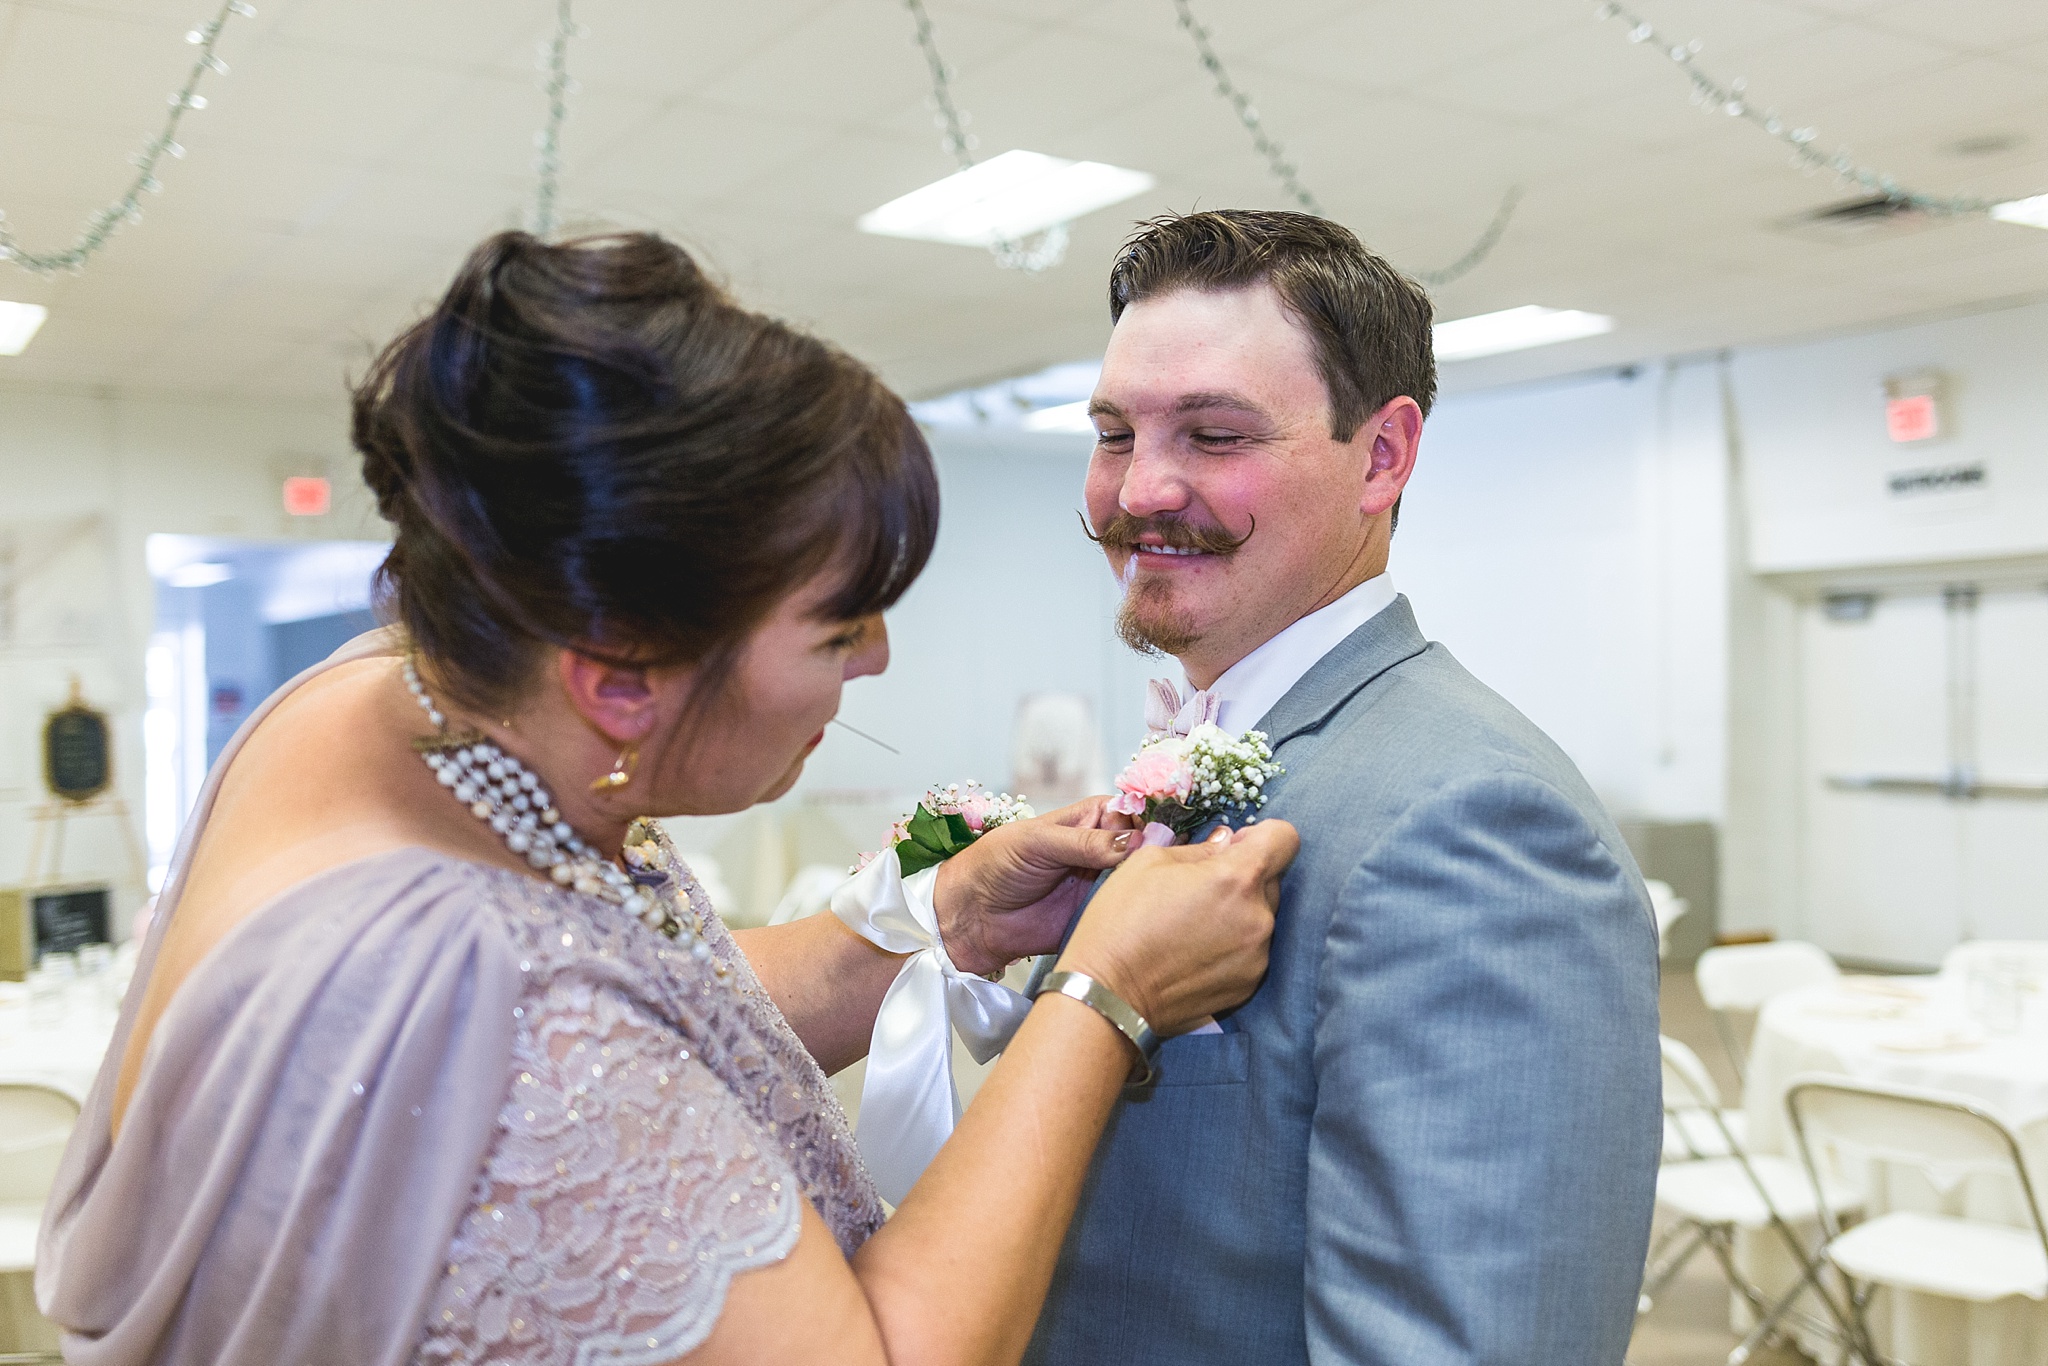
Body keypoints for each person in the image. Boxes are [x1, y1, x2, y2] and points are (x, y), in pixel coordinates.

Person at [37, 231, 1297, 1366]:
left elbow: (660, 1014)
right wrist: (1097, 1000)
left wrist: (941, 922)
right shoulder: (512, 1014)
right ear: (621, 676)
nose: (875, 661)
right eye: (835, 627)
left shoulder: (393, 693)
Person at [1025, 211, 1662, 1366]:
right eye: (1115, 432)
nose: (1143, 489)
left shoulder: (1475, 822)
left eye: (1212, 435)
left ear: (1380, 457)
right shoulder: (1224, 744)